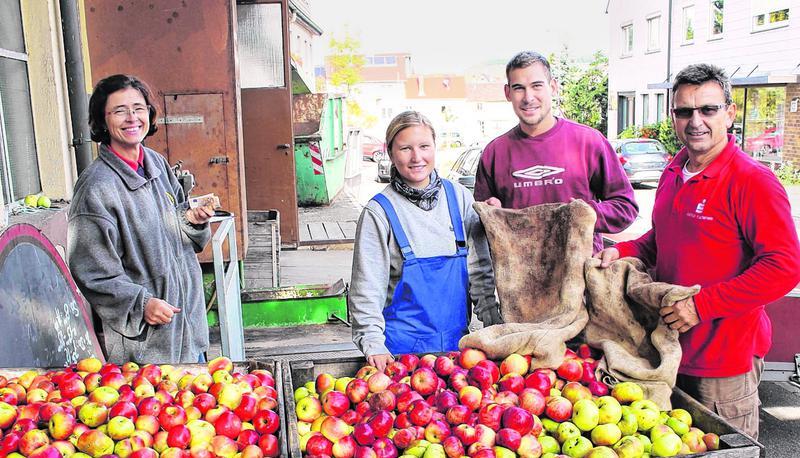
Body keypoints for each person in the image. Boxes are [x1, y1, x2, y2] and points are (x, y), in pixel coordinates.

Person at [595, 63, 800, 439]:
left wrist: (700, 306)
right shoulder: (675, 170)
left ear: (729, 112)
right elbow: (665, 238)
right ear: (673, 116)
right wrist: (623, 250)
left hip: (724, 363)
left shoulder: (752, 181)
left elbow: (784, 267)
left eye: (708, 109)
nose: (696, 121)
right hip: (667, 350)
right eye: (684, 111)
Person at [68, 74, 216, 364]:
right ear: (102, 119)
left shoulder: (156, 164)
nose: (131, 117)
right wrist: (141, 304)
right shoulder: (97, 189)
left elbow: (179, 227)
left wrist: (193, 220)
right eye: (120, 110)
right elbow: (92, 272)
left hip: (190, 332)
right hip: (148, 348)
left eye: (138, 108)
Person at [350, 111, 499, 372]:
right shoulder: (380, 212)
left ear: (435, 147)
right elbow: (367, 289)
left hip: (457, 354)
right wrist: (372, 342)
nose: (417, 157)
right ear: (390, 152)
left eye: (424, 146)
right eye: (405, 148)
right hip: (399, 358)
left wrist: (495, 325)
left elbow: (480, 273)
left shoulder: (460, 198)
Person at [474, 51, 638, 253]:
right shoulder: (495, 153)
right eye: (519, 88)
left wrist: (584, 214)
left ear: (553, 87)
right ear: (508, 93)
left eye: (537, 86)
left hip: (580, 278)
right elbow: (478, 226)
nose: (528, 97)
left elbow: (626, 208)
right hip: (520, 280)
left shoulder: (588, 142)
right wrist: (491, 214)